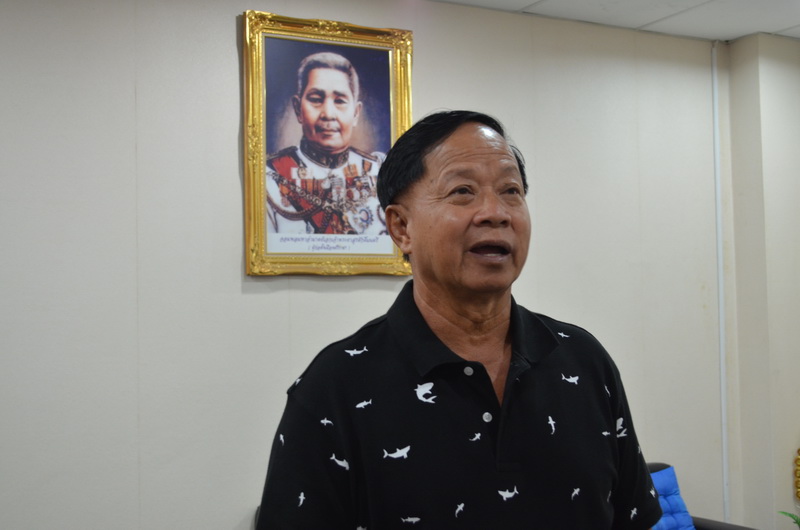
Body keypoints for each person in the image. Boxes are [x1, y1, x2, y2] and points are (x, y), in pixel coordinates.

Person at [256, 110, 662, 529]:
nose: (495, 212)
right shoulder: (336, 386)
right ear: (401, 227)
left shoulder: (584, 361)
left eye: (511, 191)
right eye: (463, 191)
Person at [266, 52, 385, 235]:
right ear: (298, 108)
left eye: (340, 101)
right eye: (316, 99)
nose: (328, 114)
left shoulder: (379, 172)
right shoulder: (269, 178)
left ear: (355, 113)